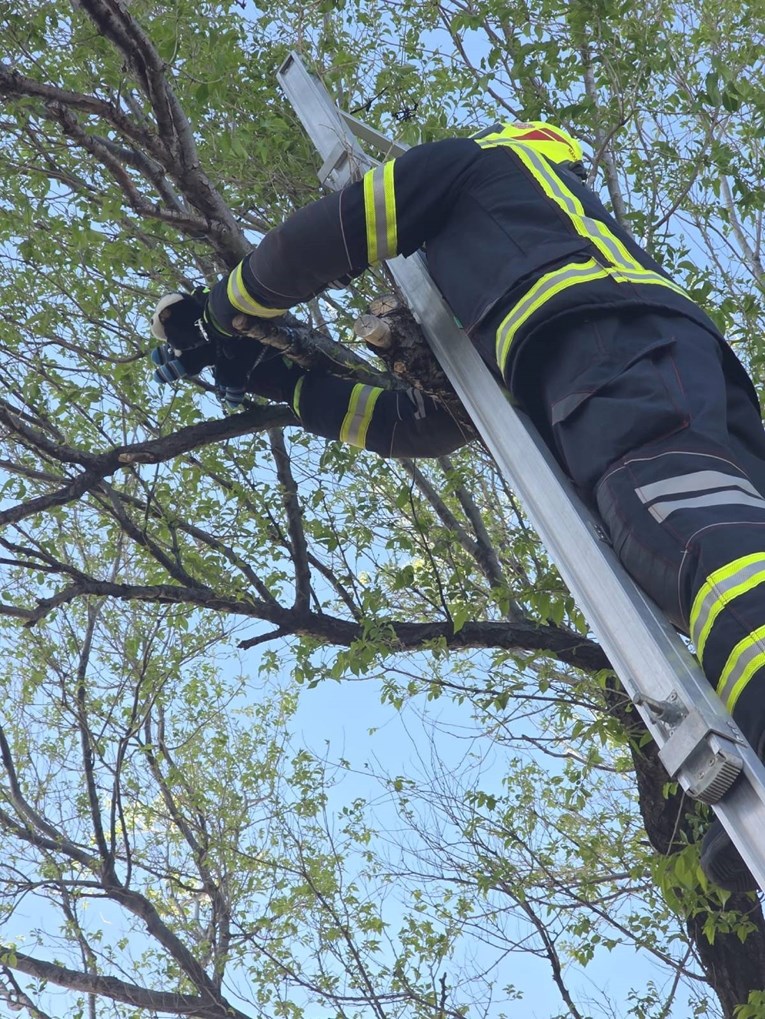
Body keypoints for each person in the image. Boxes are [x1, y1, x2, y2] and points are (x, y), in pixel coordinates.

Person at [150, 120, 765, 894]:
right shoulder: (501, 257)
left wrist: (223, 306)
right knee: (688, 544)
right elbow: (432, 420)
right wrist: (286, 386)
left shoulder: (482, 168)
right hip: (635, 364)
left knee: (687, 535)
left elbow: (348, 223)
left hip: (610, 350)